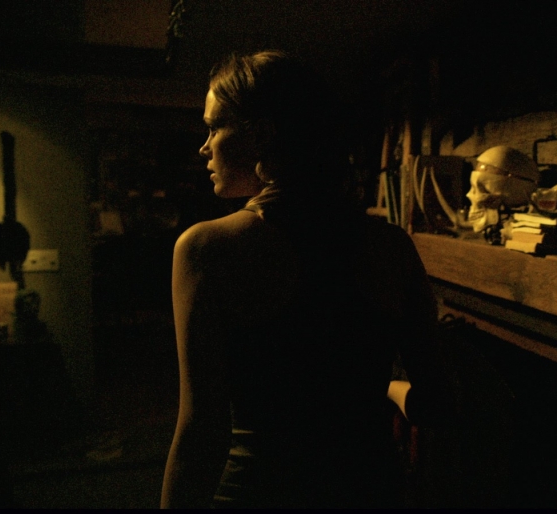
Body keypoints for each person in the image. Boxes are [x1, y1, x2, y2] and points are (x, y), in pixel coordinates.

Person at [160, 50, 451, 509]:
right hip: (369, 493)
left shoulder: (206, 249)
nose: (204, 146)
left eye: (214, 127)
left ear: (262, 135)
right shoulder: (392, 245)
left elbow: (202, 430)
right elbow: (436, 402)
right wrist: (381, 387)